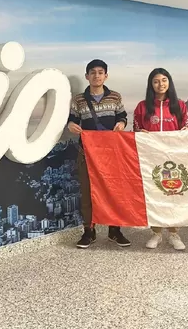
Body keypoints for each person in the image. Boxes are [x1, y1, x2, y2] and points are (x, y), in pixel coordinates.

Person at [68, 59, 130, 249]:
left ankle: (115, 229)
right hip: (87, 153)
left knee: (114, 191)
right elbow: (72, 119)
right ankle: (89, 231)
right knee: (87, 192)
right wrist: (71, 125)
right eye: (92, 72)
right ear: (87, 76)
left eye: (100, 72)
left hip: (112, 153)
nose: (97, 75)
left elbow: (122, 116)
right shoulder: (78, 99)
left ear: (106, 75)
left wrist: (121, 124)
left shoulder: (115, 97)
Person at [133, 68, 188, 251]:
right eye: (156, 81)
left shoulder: (180, 105)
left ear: (169, 82)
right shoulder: (142, 107)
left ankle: (174, 233)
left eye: (164, 80)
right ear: (151, 84)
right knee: (154, 194)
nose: (161, 84)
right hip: (151, 159)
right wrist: (140, 133)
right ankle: (156, 232)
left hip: (174, 158)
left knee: (173, 194)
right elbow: (135, 129)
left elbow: (187, 127)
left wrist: (183, 133)